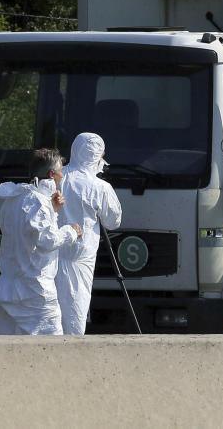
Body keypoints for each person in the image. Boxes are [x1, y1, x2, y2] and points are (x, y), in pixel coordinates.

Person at [0, 149, 82, 335]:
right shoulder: (38, 202)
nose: (62, 175)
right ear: (51, 174)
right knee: (46, 350)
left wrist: (53, 211)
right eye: (60, 171)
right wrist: (71, 232)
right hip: (34, 292)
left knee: (6, 350)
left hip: (7, 289)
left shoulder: (15, 198)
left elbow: (27, 234)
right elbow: (46, 240)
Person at [55, 132, 124, 335]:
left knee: (50, 315)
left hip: (49, 258)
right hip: (79, 260)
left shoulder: (57, 176)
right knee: (75, 312)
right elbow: (113, 222)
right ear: (97, 157)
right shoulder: (100, 186)